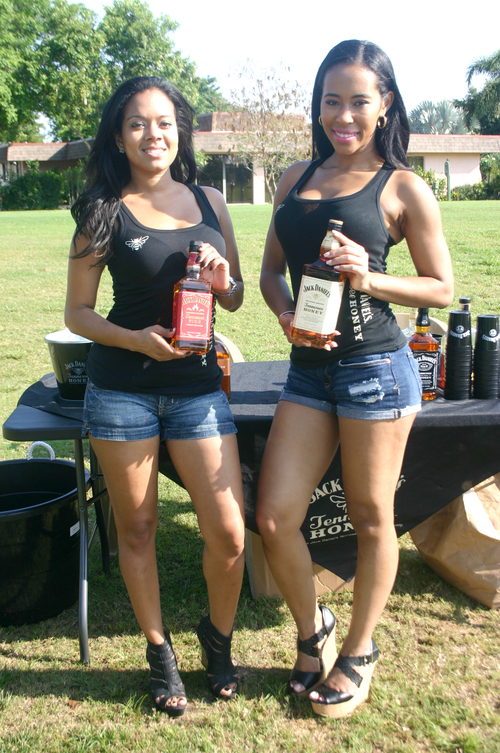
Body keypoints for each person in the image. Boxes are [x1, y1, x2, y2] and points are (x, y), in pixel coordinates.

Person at [257, 40, 454, 718]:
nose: (343, 114)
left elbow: (442, 286)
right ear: (318, 105)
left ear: (386, 105)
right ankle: (313, 628)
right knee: (275, 515)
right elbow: (269, 272)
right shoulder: (293, 177)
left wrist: (367, 274)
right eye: (331, 100)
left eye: (359, 101)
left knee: (372, 517)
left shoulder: (403, 186)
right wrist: (287, 317)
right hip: (308, 372)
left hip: (376, 368)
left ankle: (359, 651)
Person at [65, 76, 245, 716]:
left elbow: (236, 296)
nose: (153, 134)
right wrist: (137, 341)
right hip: (122, 391)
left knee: (228, 533)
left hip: (197, 390)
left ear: (180, 131)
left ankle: (216, 642)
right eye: (138, 123)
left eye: (164, 122)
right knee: (136, 528)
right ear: (119, 134)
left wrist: (223, 285)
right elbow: (79, 313)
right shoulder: (103, 208)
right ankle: (160, 654)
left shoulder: (210, 201)